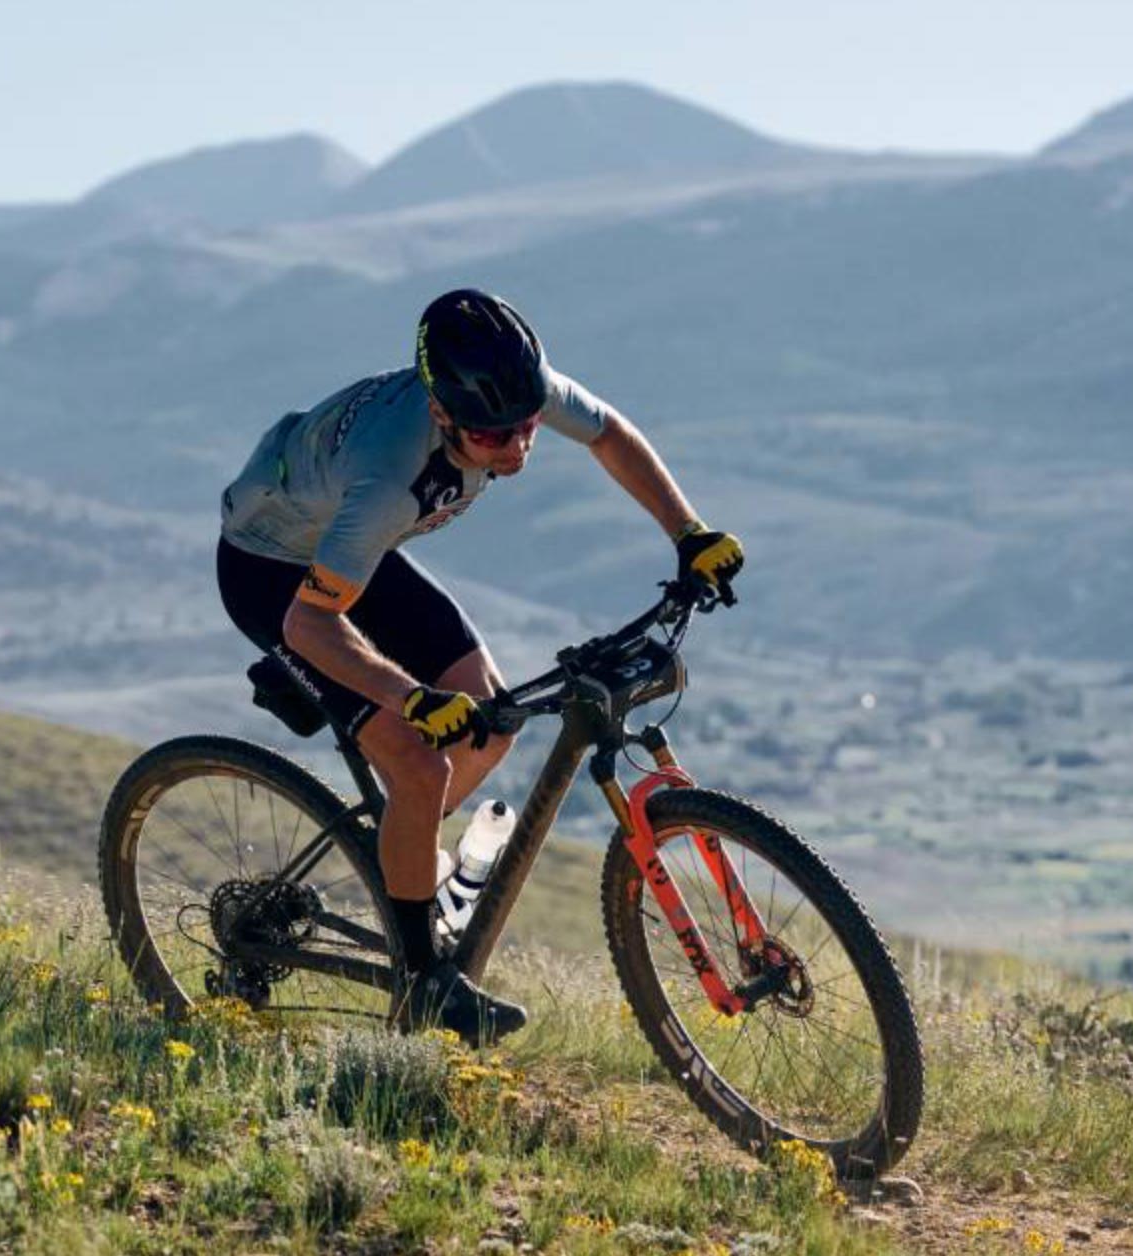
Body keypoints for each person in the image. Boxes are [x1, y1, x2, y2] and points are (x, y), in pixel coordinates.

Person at [216, 289, 744, 1042]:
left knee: (490, 723)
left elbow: (608, 433)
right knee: (419, 763)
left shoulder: (516, 390)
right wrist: (409, 697)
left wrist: (689, 533)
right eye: (494, 437)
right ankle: (422, 981)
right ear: (441, 414)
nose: (517, 450)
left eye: (527, 428)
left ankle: (398, 853)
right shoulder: (388, 476)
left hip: (347, 555)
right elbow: (309, 620)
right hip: (270, 573)